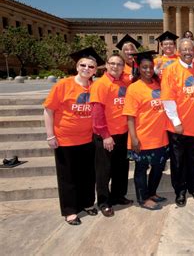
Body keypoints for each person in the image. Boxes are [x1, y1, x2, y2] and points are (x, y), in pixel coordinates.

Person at [43, 47, 104, 225]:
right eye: (83, 65)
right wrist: (50, 135)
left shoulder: (94, 87)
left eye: (91, 67)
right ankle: (70, 210)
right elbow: (48, 110)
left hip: (88, 139)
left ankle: (86, 203)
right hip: (65, 139)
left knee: (87, 175)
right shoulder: (63, 85)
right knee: (67, 176)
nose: (87, 68)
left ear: (95, 70)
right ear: (77, 67)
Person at [161, 38, 194, 207]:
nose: (188, 52)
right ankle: (180, 191)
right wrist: (176, 121)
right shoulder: (171, 70)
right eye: (185, 50)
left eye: (190, 50)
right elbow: (167, 99)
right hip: (178, 127)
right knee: (178, 162)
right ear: (179, 51)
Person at [122, 51, 169, 210]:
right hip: (142, 137)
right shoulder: (134, 88)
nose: (148, 70)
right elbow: (129, 116)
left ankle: (152, 192)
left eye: (150, 67)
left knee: (158, 167)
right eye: (144, 67)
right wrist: (134, 138)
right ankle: (143, 199)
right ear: (139, 69)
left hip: (160, 137)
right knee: (141, 169)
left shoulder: (158, 84)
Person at [90, 54, 133, 217]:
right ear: (106, 65)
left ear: (123, 67)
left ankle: (118, 196)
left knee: (121, 169)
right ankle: (103, 201)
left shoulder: (125, 82)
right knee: (104, 171)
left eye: (119, 64)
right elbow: (97, 112)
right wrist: (105, 135)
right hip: (106, 136)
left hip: (123, 133)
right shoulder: (101, 84)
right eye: (112, 63)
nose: (115, 66)